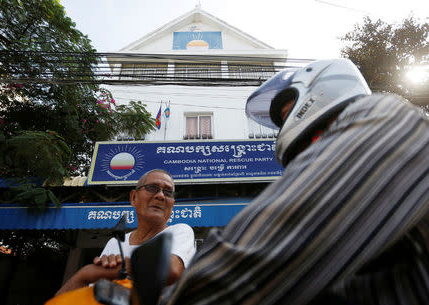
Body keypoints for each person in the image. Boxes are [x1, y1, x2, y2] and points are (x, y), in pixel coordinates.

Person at [158, 59, 428, 305]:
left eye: (286, 112)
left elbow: (240, 270)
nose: (284, 125)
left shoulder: (384, 116)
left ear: (323, 91)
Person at [55, 169, 196, 296]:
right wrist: (84, 276)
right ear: (133, 198)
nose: (160, 196)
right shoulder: (115, 243)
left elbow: (169, 269)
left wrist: (92, 272)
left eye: (168, 192)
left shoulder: (180, 231)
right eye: (152, 188)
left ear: (172, 204)